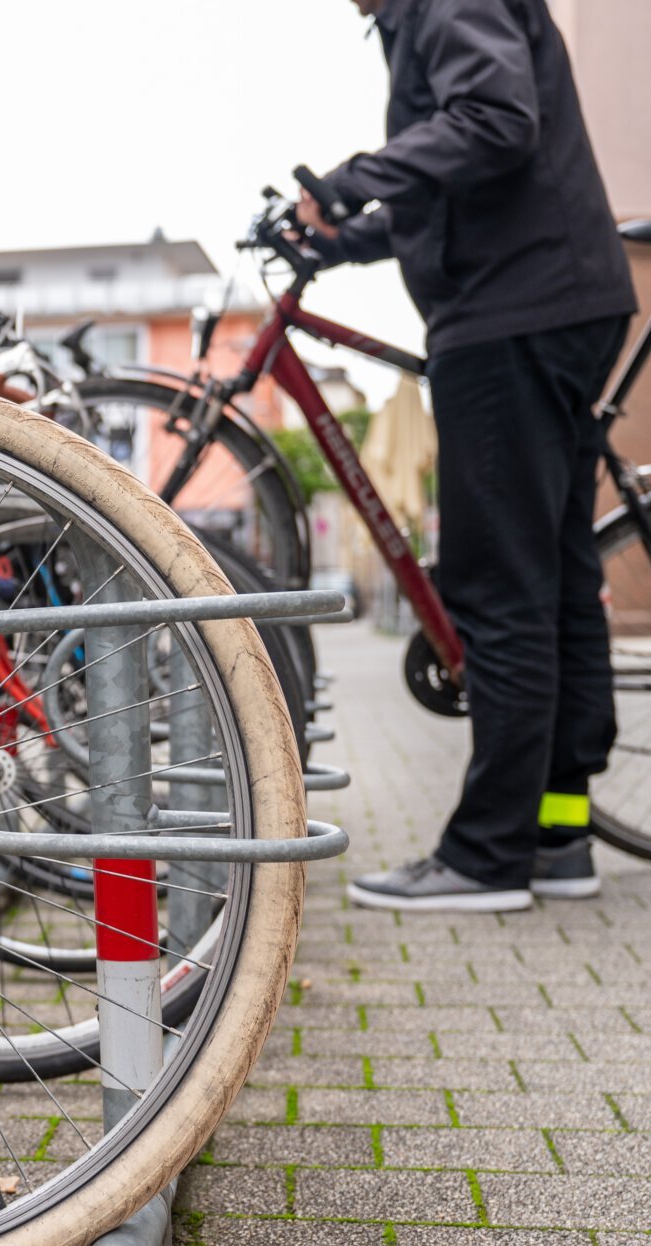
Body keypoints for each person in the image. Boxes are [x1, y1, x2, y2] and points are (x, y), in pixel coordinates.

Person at [297, 0, 638, 913]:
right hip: (555, 297)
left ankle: (486, 856)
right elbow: (455, 185)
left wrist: (349, 179)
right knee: (554, 581)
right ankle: (558, 834)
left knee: (500, 587)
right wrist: (339, 240)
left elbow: (493, 119)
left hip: (511, 312)